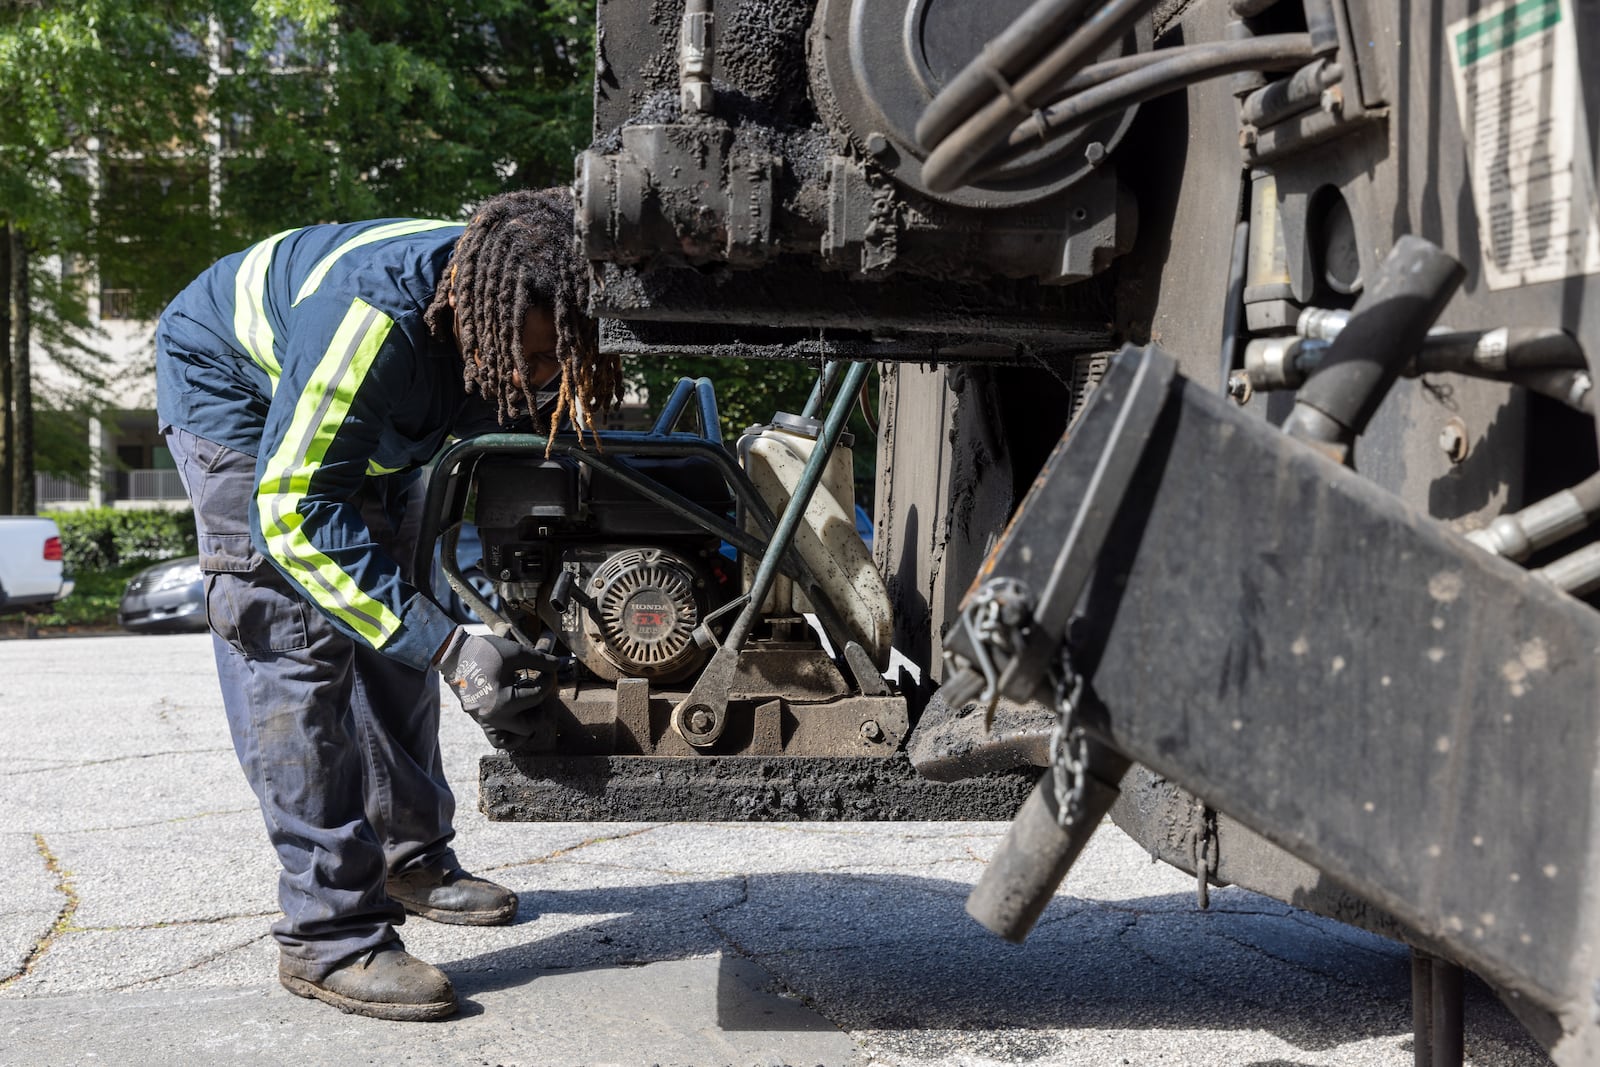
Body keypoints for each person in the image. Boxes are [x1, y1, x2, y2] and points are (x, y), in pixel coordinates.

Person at [155, 188, 623, 1021]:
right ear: (478, 318)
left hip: (368, 418)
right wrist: (448, 647)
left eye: (563, 360)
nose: (544, 377)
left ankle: (412, 859)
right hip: (238, 391)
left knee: (400, 618)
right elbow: (296, 509)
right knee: (295, 639)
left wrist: (484, 623)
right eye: (535, 357)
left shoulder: (526, 309)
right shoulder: (374, 318)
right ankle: (328, 935)